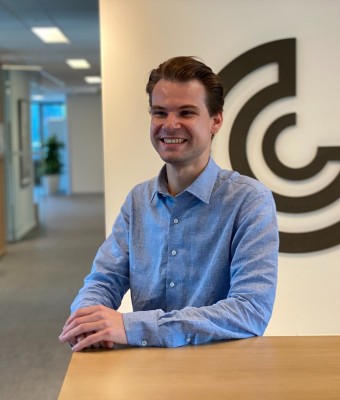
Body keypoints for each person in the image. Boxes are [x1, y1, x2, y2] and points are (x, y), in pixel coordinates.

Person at [59, 56, 278, 351]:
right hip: (146, 367)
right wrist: (87, 317)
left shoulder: (249, 201)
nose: (170, 125)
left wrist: (132, 327)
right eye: (160, 113)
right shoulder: (138, 200)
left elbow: (250, 311)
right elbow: (104, 279)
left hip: (220, 370)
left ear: (215, 121)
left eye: (186, 112)